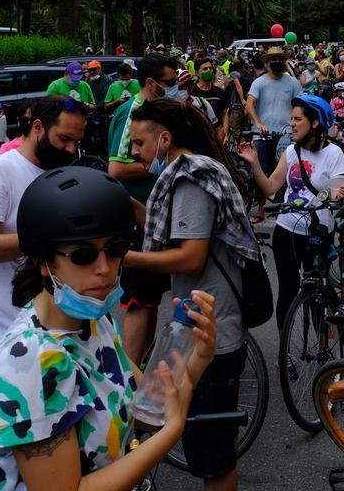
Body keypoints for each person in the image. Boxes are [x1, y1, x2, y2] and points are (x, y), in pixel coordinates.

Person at [0, 166, 218, 491]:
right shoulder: (31, 364)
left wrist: (198, 356)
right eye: (84, 254)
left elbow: (146, 408)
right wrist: (173, 432)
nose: (104, 269)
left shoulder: (94, 321)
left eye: (116, 250)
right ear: (44, 262)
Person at [124, 98, 260, 491]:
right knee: (216, 441)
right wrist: (132, 207)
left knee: (211, 455)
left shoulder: (190, 179)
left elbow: (190, 256)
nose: (135, 152)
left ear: (164, 139)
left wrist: (122, 258)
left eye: (138, 143)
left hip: (209, 337)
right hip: (208, 326)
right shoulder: (191, 173)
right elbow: (177, 231)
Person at [0, 95, 88, 351]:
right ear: (38, 127)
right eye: (64, 139)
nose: (70, 149)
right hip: (9, 334)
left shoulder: (60, 172)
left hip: (59, 329)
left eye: (76, 142)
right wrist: (54, 236)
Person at [237, 95, 344, 326]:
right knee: (288, 293)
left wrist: (343, 191)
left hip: (318, 232)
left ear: (315, 123)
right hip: (286, 230)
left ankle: (322, 339)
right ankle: (284, 356)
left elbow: (337, 195)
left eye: (297, 119)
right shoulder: (290, 151)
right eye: (291, 119)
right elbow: (270, 187)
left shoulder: (333, 154)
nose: (291, 123)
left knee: (318, 291)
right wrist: (255, 163)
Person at [108, 53, 178, 364]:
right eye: (168, 83)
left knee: (149, 298)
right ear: (151, 83)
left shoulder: (154, 110)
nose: (173, 87)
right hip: (138, 217)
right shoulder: (134, 113)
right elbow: (116, 169)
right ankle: (130, 375)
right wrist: (160, 166)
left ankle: (140, 366)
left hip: (154, 215)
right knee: (138, 298)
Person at [244, 46, 302, 223]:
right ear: (267, 62)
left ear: (284, 61)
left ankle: (286, 207)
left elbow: (300, 105)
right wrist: (258, 123)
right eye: (273, 59)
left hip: (286, 136)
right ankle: (261, 209)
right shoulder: (259, 83)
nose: (276, 62)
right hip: (262, 136)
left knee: (287, 172)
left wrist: (296, 125)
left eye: (280, 59)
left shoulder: (292, 83)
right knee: (261, 172)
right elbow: (249, 103)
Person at [191, 57, 227, 125]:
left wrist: (225, 132)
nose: (209, 71)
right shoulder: (192, 92)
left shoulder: (219, 92)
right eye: (205, 69)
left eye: (210, 68)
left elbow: (225, 114)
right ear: (197, 73)